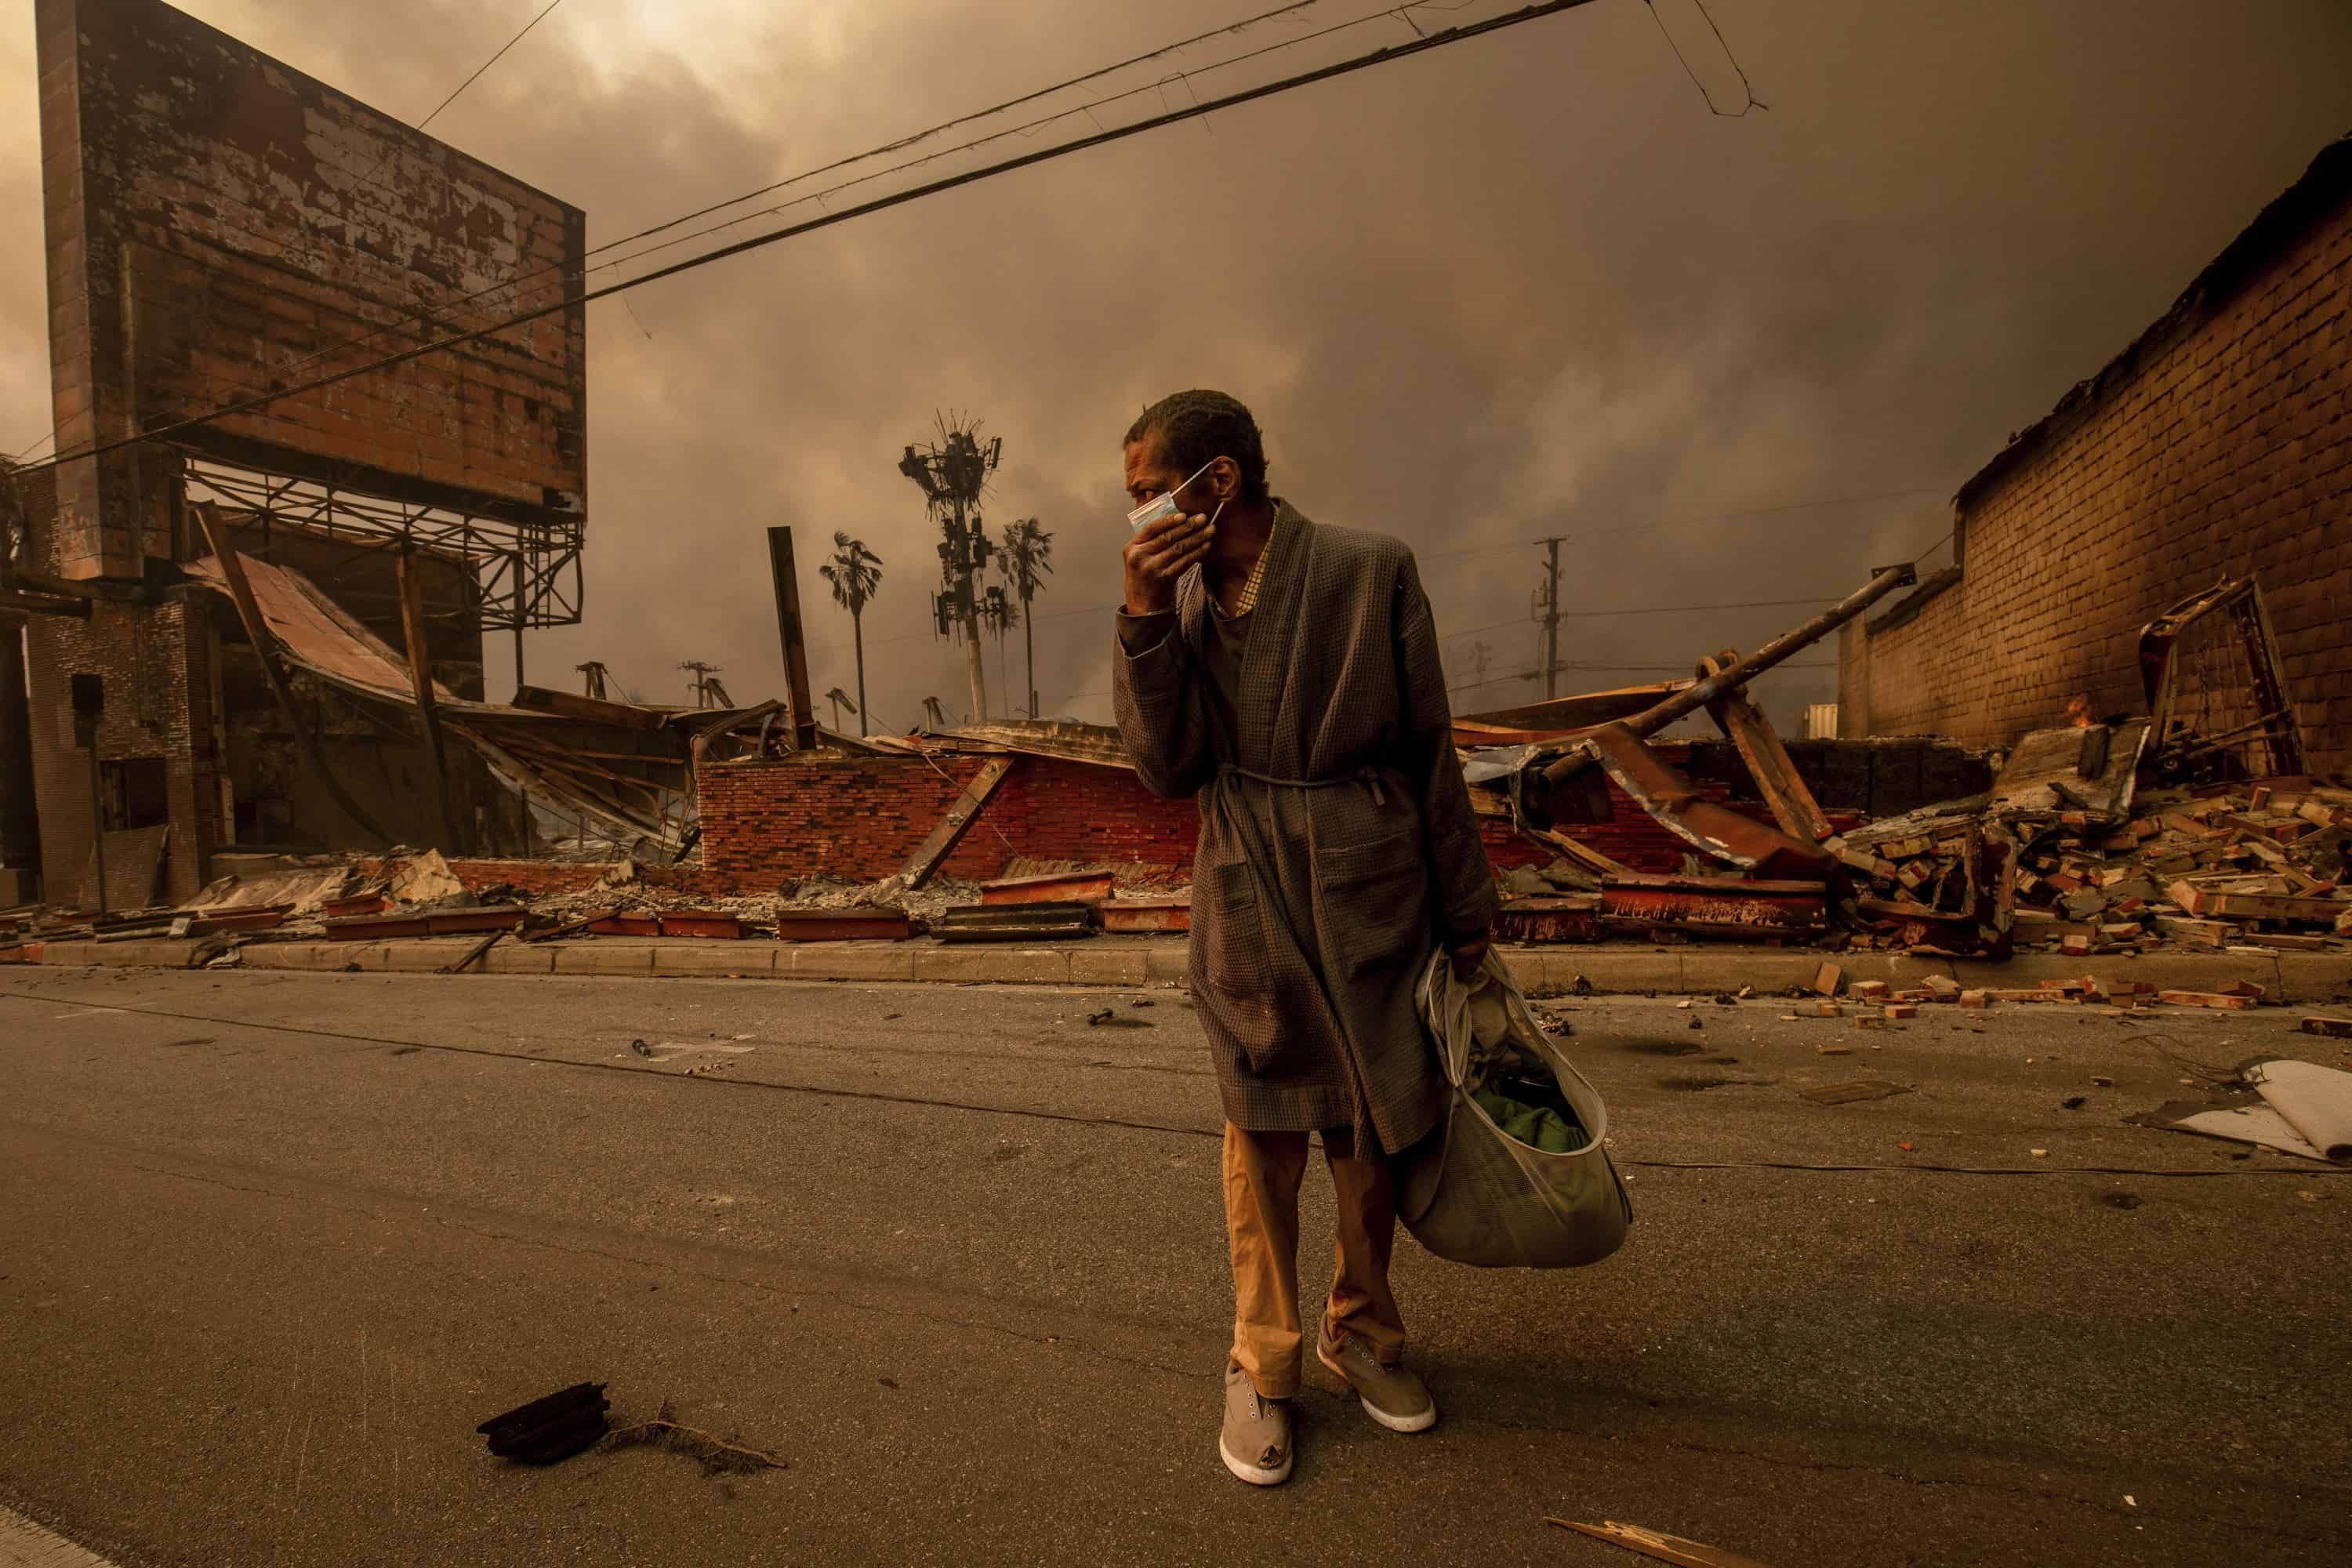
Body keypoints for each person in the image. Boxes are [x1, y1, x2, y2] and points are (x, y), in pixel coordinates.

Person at [1111, 389, 1496, 1486]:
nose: (1139, 518)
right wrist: (1141, 614)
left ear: (1217, 481)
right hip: (1245, 889)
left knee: (1371, 1139)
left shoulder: (1371, 570)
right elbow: (1165, 769)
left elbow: (1431, 750)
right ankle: (1261, 1363)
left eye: (1149, 495)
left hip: (1371, 884)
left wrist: (1465, 916)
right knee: (1263, 1139)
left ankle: (1362, 1334)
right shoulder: (1178, 608)